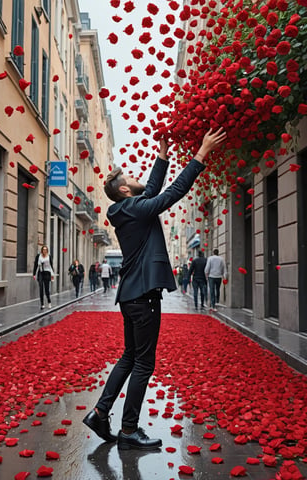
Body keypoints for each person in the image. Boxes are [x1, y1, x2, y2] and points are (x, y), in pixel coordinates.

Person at [82, 128, 226, 450]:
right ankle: (129, 429)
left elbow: (151, 190)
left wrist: (162, 155)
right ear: (123, 189)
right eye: (130, 176)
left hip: (132, 295)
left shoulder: (127, 209)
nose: (136, 177)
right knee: (144, 362)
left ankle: (100, 412)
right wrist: (201, 153)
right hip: (143, 297)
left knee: (130, 356)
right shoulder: (134, 208)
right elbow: (170, 194)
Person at [33, 245, 54, 309]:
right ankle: (42, 304)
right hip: (40, 273)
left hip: (47, 273)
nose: (44, 251)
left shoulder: (49, 256)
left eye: (46, 249)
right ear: (42, 250)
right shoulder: (38, 256)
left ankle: (49, 302)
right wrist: (34, 274)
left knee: (47, 289)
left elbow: (51, 266)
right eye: (43, 249)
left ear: (47, 251)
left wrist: (52, 275)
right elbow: (35, 265)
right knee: (41, 288)